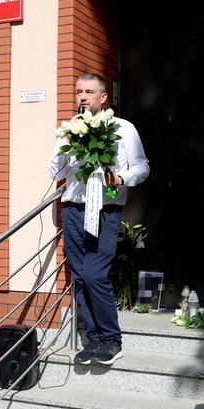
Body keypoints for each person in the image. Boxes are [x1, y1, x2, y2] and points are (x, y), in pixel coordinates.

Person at [49, 72, 149, 365]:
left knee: (95, 273)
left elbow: (142, 167)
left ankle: (111, 338)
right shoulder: (70, 129)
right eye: (78, 92)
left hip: (106, 211)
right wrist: (67, 137)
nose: (82, 97)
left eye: (89, 92)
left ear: (103, 97)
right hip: (73, 210)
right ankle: (93, 339)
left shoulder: (123, 129)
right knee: (80, 277)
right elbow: (54, 173)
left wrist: (121, 177)